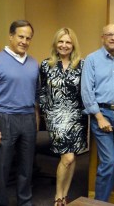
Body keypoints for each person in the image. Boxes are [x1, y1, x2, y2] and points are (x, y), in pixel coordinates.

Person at [0, 20, 39, 206]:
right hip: (3, 119)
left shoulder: (34, 63)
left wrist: (35, 120)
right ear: (11, 36)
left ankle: (25, 202)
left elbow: (35, 95)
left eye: (28, 38)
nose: (24, 41)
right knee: (1, 168)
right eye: (21, 36)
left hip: (28, 119)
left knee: (26, 168)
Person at [81, 24, 114, 202]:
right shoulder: (92, 59)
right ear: (102, 37)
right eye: (109, 34)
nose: (113, 38)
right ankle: (99, 202)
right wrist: (99, 117)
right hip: (101, 113)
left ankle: (102, 200)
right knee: (109, 161)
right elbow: (87, 91)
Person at [39, 28, 87, 206]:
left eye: (68, 42)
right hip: (56, 117)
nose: (64, 45)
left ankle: (65, 194)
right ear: (55, 44)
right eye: (61, 41)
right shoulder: (46, 64)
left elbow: (85, 91)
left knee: (72, 157)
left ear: (73, 44)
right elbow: (42, 91)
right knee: (66, 158)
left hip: (76, 117)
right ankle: (58, 197)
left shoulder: (82, 65)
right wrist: (47, 111)